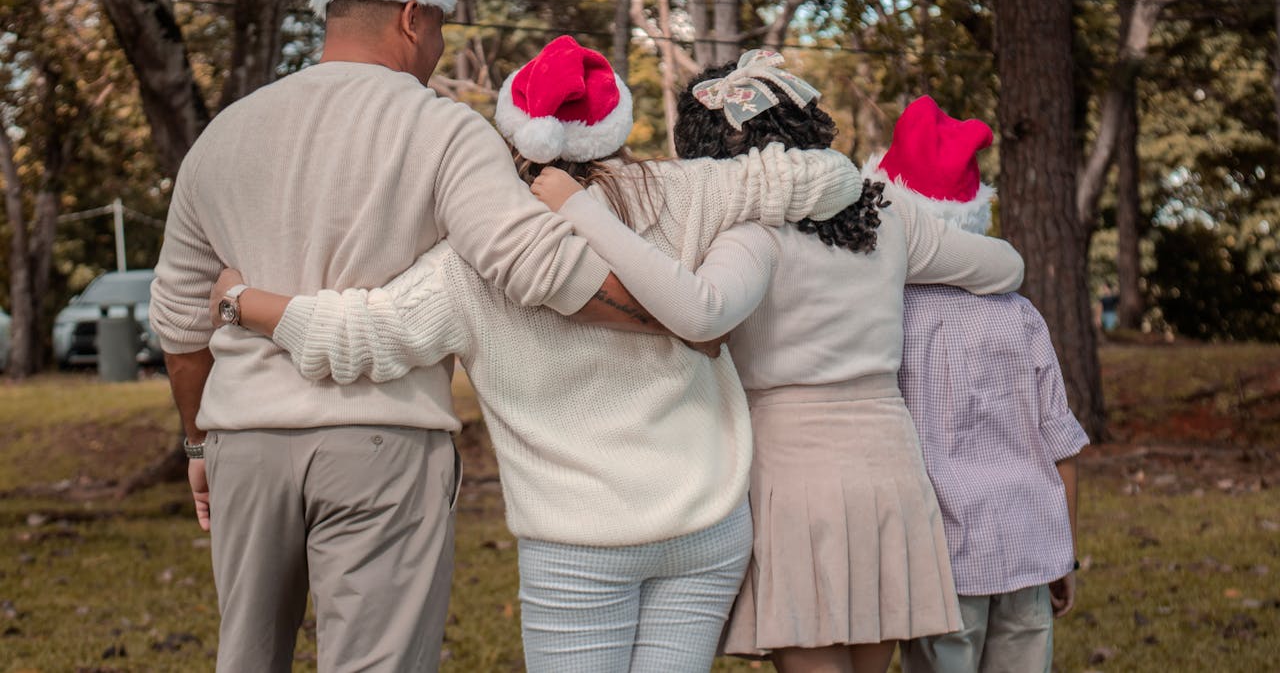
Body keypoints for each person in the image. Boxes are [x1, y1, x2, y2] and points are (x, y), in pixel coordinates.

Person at [207, 35, 867, 672]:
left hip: (578, 542)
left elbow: (361, 334)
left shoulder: (474, 260)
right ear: (614, 126)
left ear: (511, 134)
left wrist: (242, 299)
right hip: (708, 526)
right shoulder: (692, 192)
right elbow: (836, 178)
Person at [147, 0, 664, 673]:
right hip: (382, 442)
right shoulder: (442, 127)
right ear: (411, 14)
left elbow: (182, 322)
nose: (439, 46)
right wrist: (670, 314)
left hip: (243, 441)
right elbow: (535, 263)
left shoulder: (224, 135)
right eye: (441, 24)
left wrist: (196, 443)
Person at [529, 51, 1027, 673]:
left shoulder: (752, 235)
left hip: (793, 475)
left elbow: (701, 313)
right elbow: (1005, 266)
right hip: (891, 468)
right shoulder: (889, 217)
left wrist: (584, 212)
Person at [863, 97, 1089, 673]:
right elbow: (1061, 444)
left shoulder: (886, 315)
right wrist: (1063, 552)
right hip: (1029, 543)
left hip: (942, 559)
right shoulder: (1020, 313)